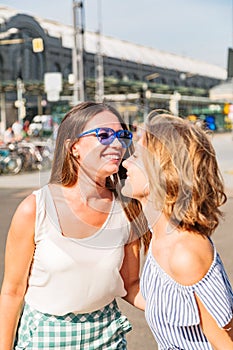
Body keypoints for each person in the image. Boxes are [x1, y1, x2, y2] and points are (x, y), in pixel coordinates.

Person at [0, 101, 149, 350]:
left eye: (121, 135)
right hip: (45, 336)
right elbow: (12, 291)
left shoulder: (128, 209)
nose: (116, 144)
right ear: (73, 147)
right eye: (103, 135)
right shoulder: (36, 208)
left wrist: (179, 308)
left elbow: (131, 285)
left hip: (107, 335)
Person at [122, 111, 233, 349]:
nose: (125, 163)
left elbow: (226, 343)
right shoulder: (161, 238)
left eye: (137, 156)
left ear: (163, 171)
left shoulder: (185, 252)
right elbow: (161, 303)